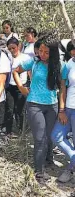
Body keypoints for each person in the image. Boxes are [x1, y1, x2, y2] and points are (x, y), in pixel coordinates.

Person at [13, 32, 63, 182]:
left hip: (52, 106)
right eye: (40, 51)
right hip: (35, 104)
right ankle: (39, 173)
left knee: (50, 137)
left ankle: (48, 160)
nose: (42, 54)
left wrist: (61, 109)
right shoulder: (33, 62)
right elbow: (16, 71)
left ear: (53, 53)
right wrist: (21, 87)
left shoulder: (60, 65)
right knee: (40, 139)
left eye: (46, 52)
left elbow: (63, 87)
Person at [51, 55, 75, 183]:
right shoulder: (69, 64)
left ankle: (70, 170)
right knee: (56, 136)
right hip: (68, 108)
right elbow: (63, 88)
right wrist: (62, 110)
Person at [5, 37, 30, 135]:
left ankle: (21, 131)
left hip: (21, 86)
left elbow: (29, 72)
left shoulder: (25, 58)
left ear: (18, 46)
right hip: (9, 87)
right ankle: (8, 132)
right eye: (9, 48)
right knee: (9, 110)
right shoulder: (7, 57)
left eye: (13, 48)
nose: (12, 50)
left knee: (20, 110)